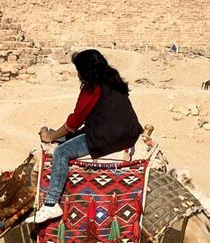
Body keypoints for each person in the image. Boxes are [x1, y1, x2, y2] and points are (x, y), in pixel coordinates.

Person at [28, 50, 144, 225]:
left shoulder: (92, 88)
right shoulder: (113, 82)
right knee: (66, 138)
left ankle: (51, 203)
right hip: (127, 132)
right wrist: (59, 134)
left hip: (108, 137)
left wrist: (51, 136)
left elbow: (74, 121)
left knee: (61, 152)